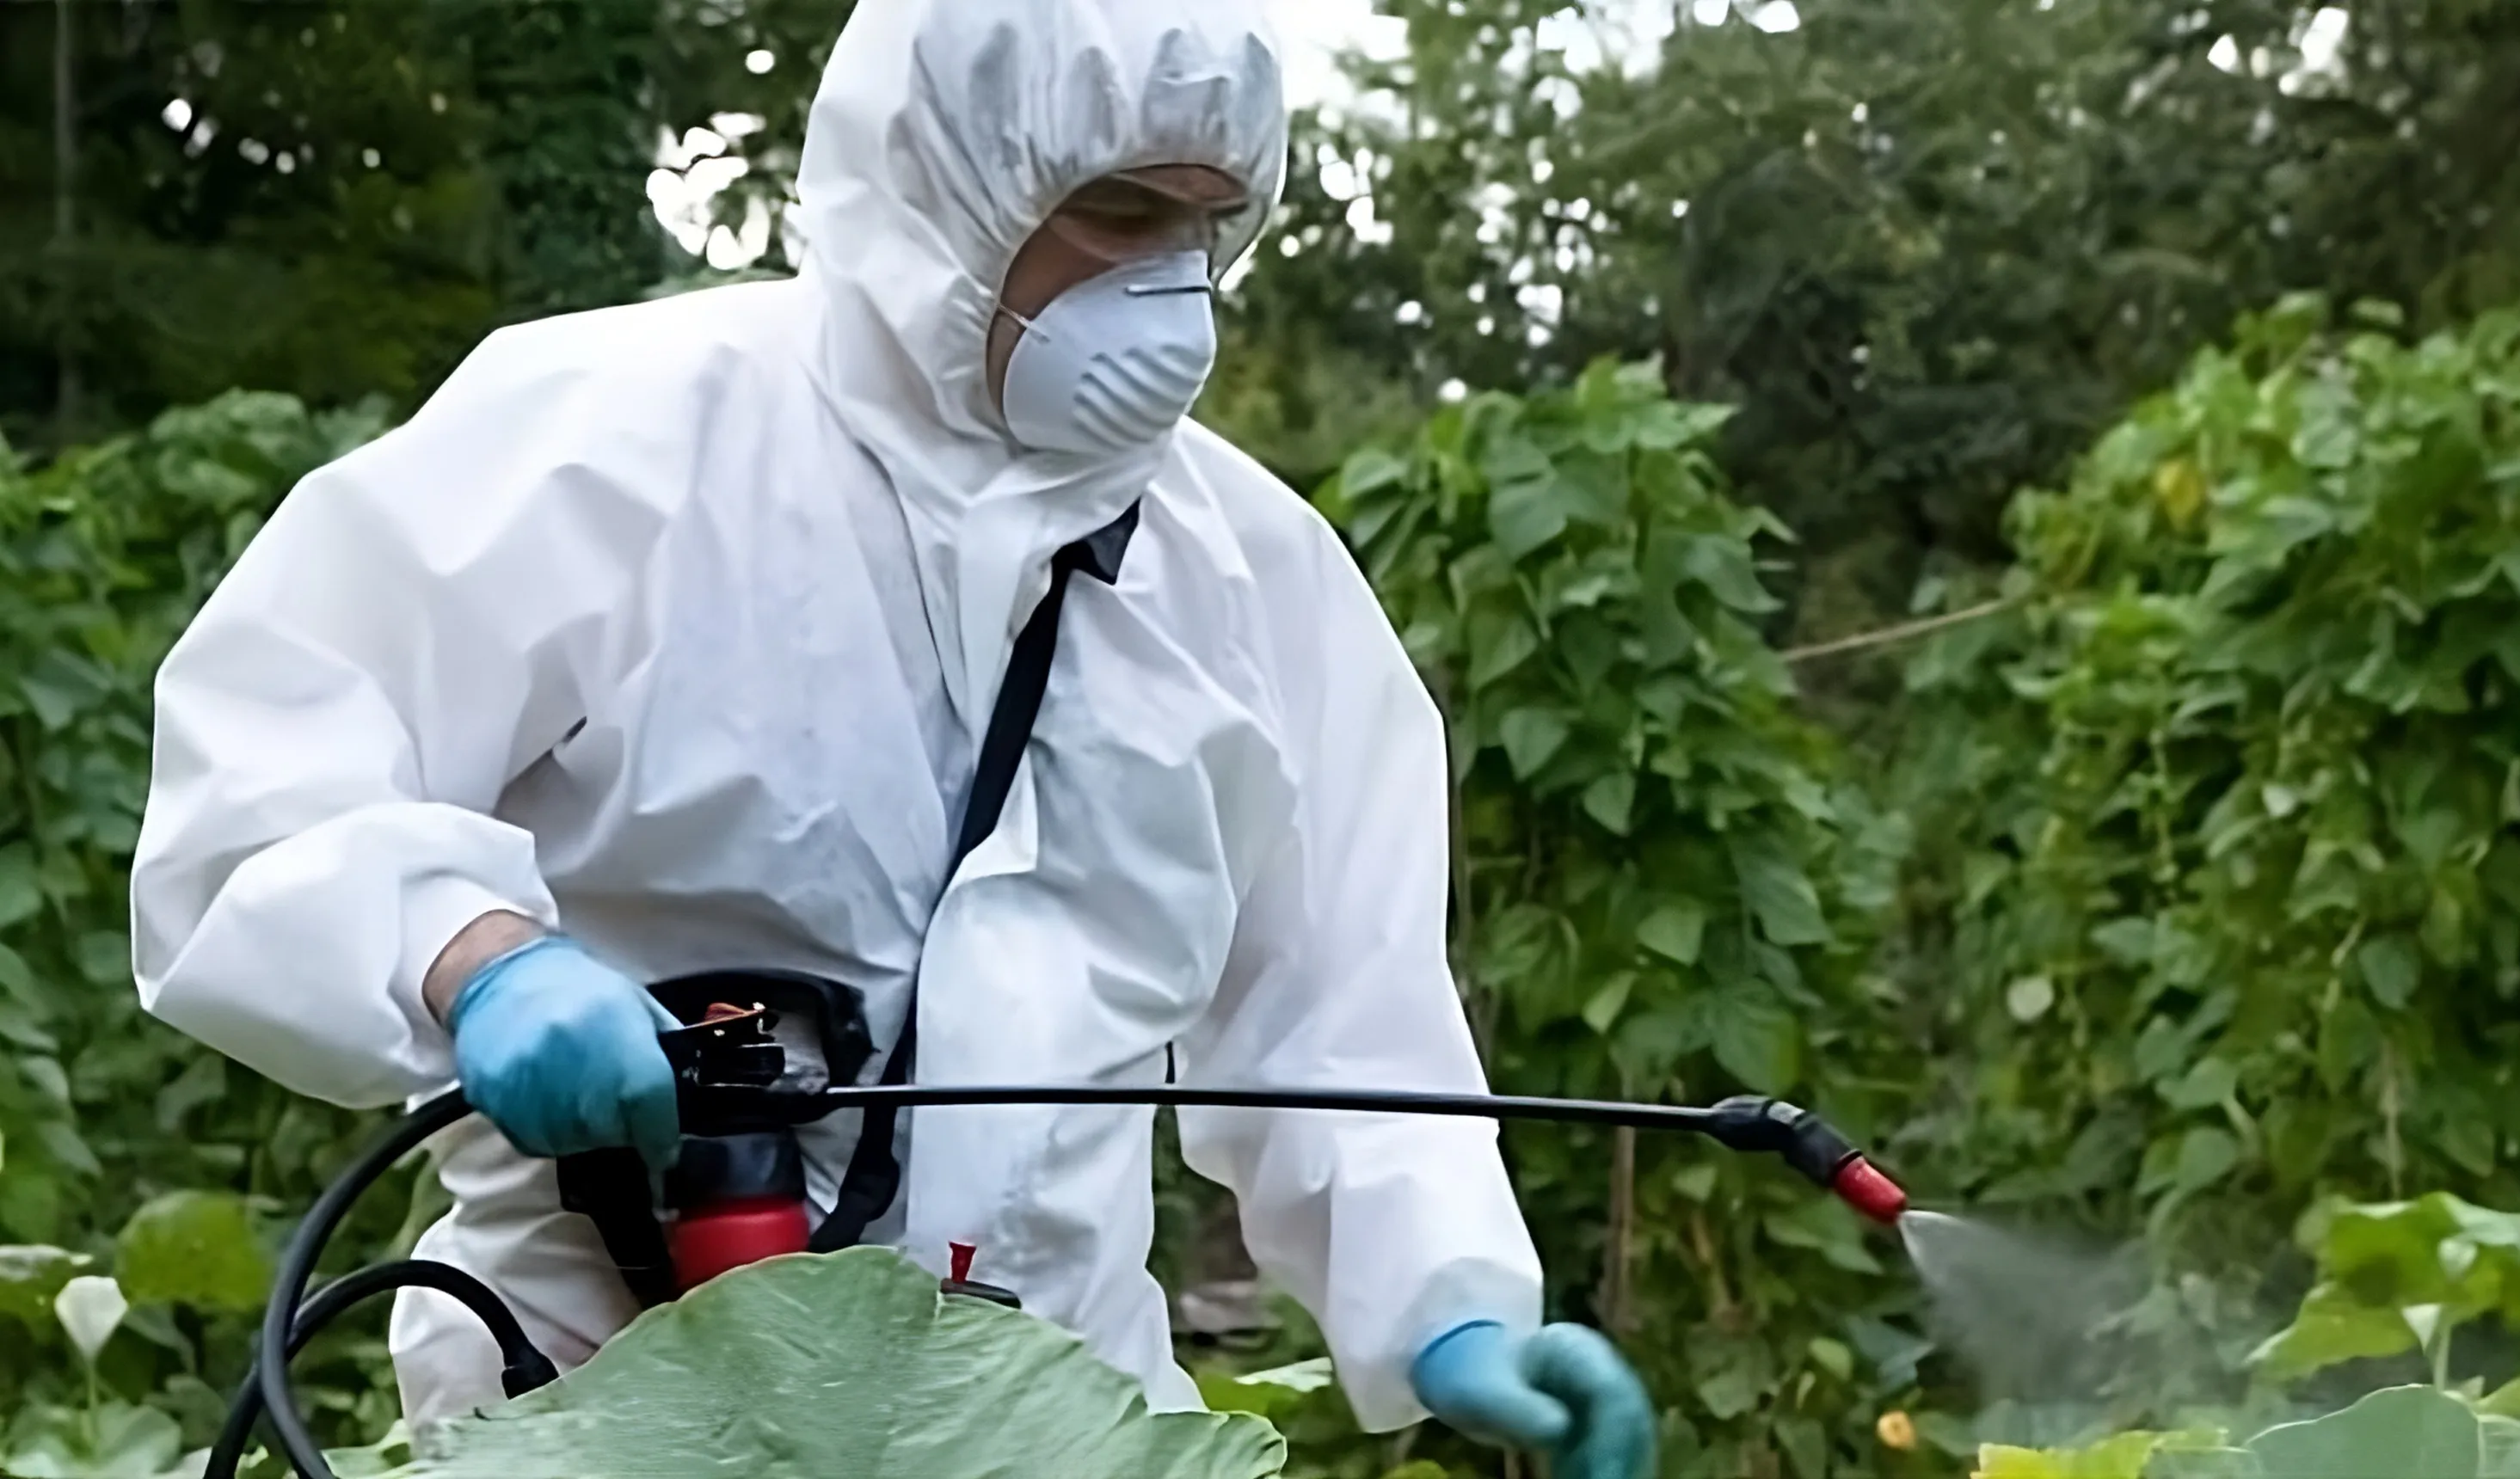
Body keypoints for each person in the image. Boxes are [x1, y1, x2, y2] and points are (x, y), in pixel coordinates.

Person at [126, 3, 1652, 1475]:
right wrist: (478, 959)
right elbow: (263, 775)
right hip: (606, 1404)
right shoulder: (617, 441)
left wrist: (1451, 1304)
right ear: (949, 187)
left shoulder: (1248, 573)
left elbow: (1344, 1015)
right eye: (1119, 209)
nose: (1171, 293)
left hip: (1050, 1421)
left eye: (1207, 228)